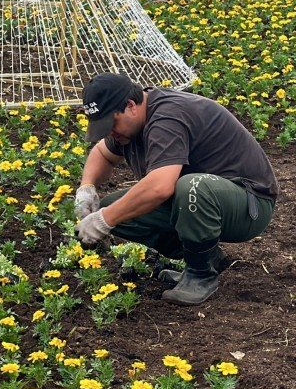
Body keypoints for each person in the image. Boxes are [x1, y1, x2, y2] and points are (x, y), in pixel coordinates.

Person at [74, 73, 279, 306]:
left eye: (111, 124)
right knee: (115, 208)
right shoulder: (130, 127)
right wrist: (87, 187)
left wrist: (103, 220)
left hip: (249, 203)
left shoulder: (167, 117)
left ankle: (201, 275)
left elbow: (161, 186)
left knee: (191, 186)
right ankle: (206, 258)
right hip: (206, 201)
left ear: (130, 105)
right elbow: (102, 153)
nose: (111, 133)